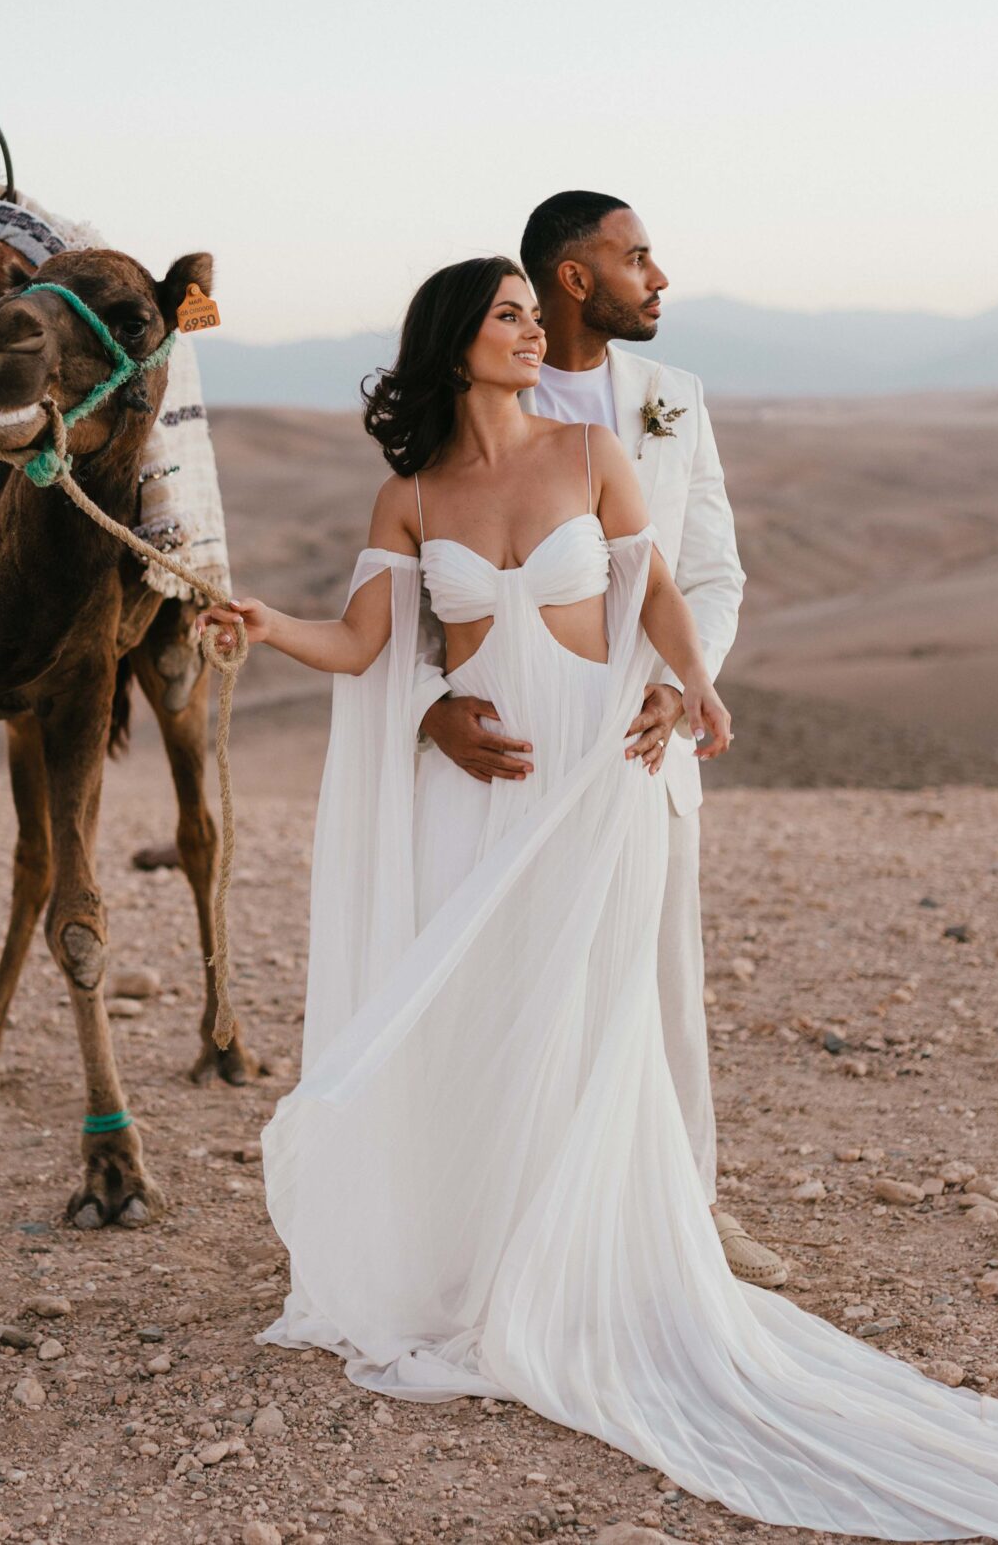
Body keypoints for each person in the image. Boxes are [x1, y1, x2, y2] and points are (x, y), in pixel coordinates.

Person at [200, 258, 998, 1542]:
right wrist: (264, 622)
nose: (530, 330)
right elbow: (362, 643)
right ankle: (469, 1262)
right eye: (508, 315)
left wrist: (695, 682)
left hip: (591, 774)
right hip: (479, 786)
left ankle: (571, 1268)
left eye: (531, 310)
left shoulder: (590, 452)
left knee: (585, 1015)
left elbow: (661, 586)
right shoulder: (407, 494)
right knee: (473, 1014)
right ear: (457, 341)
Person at [416, 190, 780, 1286]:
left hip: (636, 751)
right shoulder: (458, 411)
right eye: (637, 258)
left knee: (656, 984)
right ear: (574, 277)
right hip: (509, 757)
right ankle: (508, 1223)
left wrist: (684, 679)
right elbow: (414, 601)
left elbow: (706, 570)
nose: (658, 277)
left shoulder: (673, 400)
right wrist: (426, 708)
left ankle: (687, 1216)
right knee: (506, 984)